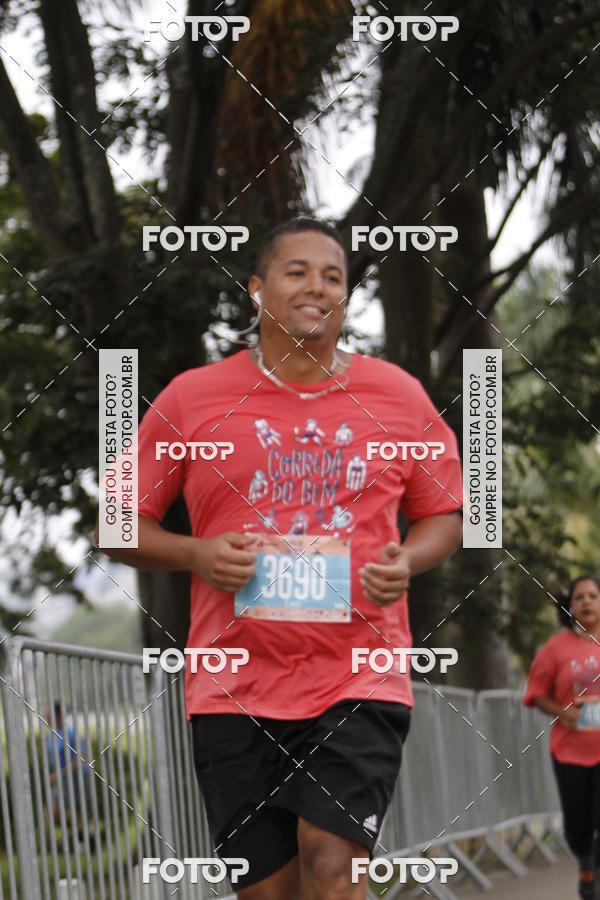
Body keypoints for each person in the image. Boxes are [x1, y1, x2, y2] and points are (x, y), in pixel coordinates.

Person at [97, 216, 463, 899]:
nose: (317, 288)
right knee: (269, 892)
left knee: (332, 865)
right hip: (233, 685)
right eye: (298, 272)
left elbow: (445, 511)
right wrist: (196, 553)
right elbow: (118, 522)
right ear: (257, 290)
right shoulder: (192, 397)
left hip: (361, 675)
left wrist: (408, 560)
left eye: (334, 277)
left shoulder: (398, 396)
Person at [523, 575, 600, 900]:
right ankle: (585, 865)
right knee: (578, 826)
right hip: (569, 751)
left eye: (593, 596)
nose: (586, 601)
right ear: (569, 606)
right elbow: (536, 694)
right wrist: (564, 712)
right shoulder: (554, 649)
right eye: (579, 597)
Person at [45, 702, 91, 843]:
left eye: (48, 713)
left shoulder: (70, 732)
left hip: (76, 779)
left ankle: (84, 838)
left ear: (57, 715)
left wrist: (60, 775)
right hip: (60, 782)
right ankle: (86, 830)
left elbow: (82, 758)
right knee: (49, 815)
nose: (45, 716)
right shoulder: (51, 735)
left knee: (70, 813)